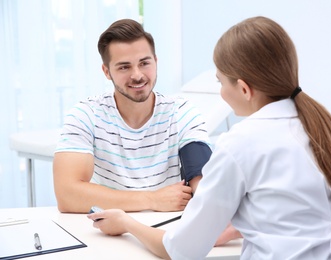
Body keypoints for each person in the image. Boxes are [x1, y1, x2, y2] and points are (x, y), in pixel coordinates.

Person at [87, 16, 331, 259]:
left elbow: (181, 249)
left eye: (220, 82)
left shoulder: (239, 142)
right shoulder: (318, 125)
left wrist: (126, 222)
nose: (221, 93)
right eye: (124, 66)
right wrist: (242, 223)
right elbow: (296, 211)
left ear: (244, 89)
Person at [53, 19, 212, 213]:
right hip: (105, 232)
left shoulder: (182, 112)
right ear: (106, 71)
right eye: (124, 67)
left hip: (166, 231)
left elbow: (204, 185)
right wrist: (152, 200)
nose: (137, 75)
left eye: (144, 63)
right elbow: (67, 195)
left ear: (156, 62)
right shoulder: (85, 115)